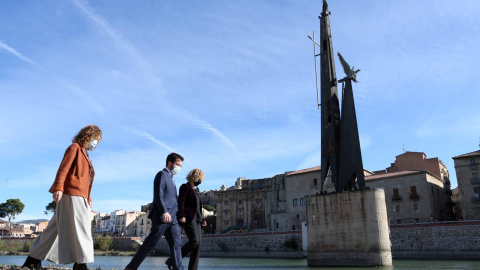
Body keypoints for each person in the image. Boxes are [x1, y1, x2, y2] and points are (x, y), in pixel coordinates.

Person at [22, 125, 102, 270]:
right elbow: (63, 169)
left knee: (54, 229)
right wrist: (58, 187)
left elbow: (85, 180)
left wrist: (88, 197)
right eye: (96, 139)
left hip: (80, 196)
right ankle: (80, 263)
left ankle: (32, 260)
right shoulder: (74, 148)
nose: (96, 143)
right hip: (72, 194)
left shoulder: (84, 152)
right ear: (88, 136)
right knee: (82, 229)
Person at [125, 153, 185, 270]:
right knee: (151, 243)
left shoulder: (172, 179)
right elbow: (159, 195)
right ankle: (131, 267)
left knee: (176, 244)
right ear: (169, 163)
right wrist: (164, 212)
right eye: (177, 164)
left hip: (173, 219)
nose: (179, 168)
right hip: (162, 217)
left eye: (181, 166)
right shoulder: (161, 175)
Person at [166, 168, 207, 270]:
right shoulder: (185, 187)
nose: (201, 181)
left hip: (197, 220)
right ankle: (173, 260)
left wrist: (202, 219)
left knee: (197, 247)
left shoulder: (195, 190)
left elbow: (196, 207)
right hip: (188, 219)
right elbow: (181, 202)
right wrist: (181, 215)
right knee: (194, 241)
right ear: (196, 177)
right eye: (201, 179)